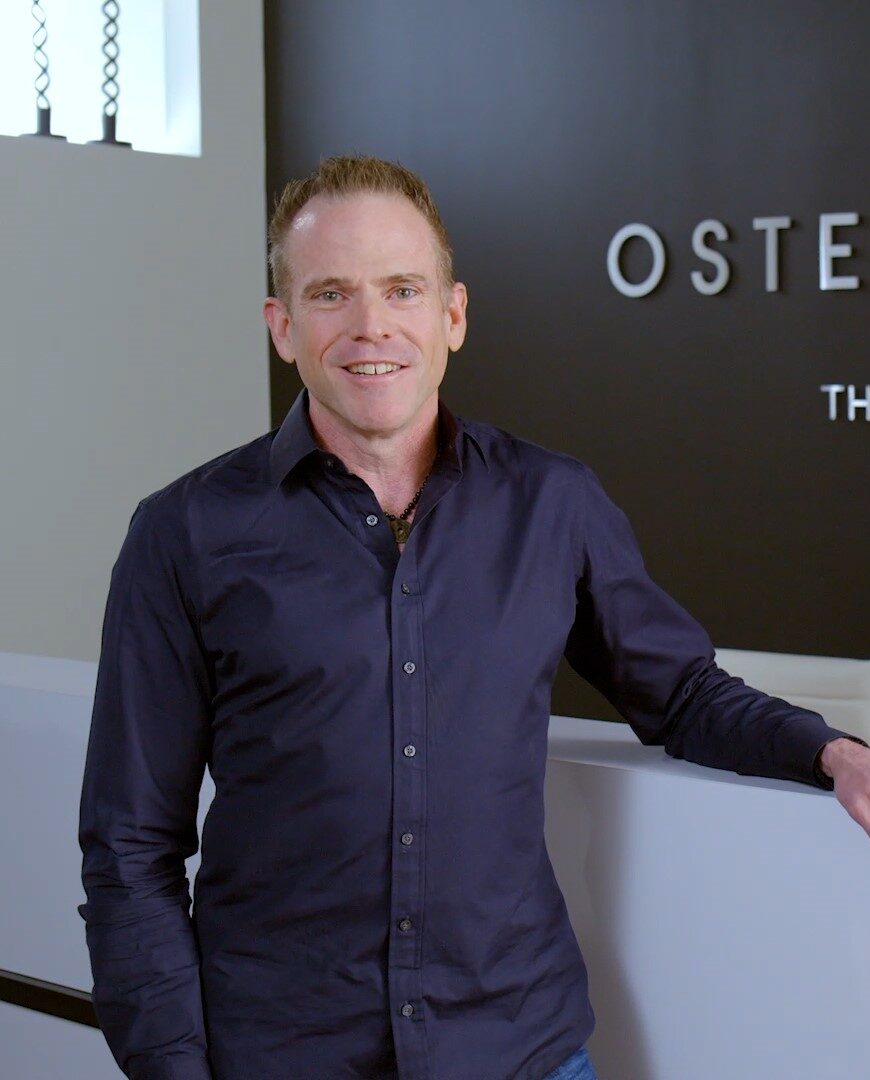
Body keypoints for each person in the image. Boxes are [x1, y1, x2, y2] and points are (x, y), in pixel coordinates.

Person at [78, 154, 870, 1080]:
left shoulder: (553, 502)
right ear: (282, 327)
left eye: (402, 289)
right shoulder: (185, 532)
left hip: (522, 1051)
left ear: (452, 315)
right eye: (331, 294)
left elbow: (684, 693)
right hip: (282, 1056)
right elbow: (131, 847)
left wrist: (832, 753)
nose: (371, 326)